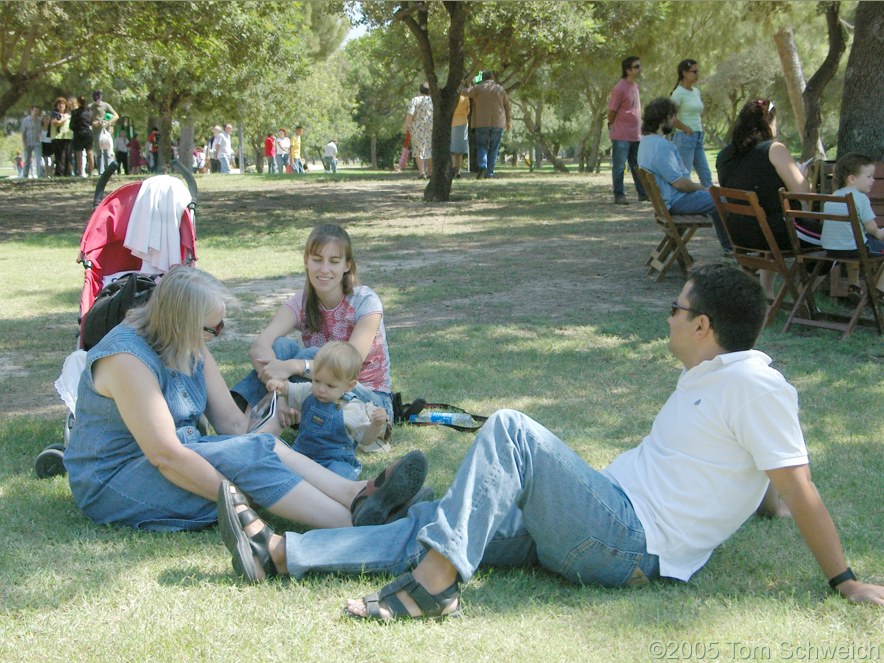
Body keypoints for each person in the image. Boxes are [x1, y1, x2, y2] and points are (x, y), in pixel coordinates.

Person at [217, 263, 884, 619]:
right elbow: (763, 474)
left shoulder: (754, 384)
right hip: (601, 517)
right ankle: (283, 553)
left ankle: (433, 586)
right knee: (442, 516)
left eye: (675, 309)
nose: (669, 317)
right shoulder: (712, 375)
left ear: (704, 324)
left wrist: (844, 579)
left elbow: (797, 480)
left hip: (627, 541)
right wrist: (764, 503)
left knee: (511, 430)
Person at [63, 267, 427, 535]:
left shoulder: (187, 340)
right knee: (248, 458)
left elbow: (234, 426)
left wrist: (277, 419)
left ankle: (355, 496)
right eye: (212, 329)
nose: (215, 338)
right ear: (181, 323)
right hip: (116, 479)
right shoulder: (127, 359)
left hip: (174, 456)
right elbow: (166, 455)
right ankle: (359, 525)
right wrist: (238, 494)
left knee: (260, 446)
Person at [231, 224, 393, 423]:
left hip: (369, 402)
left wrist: (293, 366)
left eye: (334, 261)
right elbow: (260, 346)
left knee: (313, 354)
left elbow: (347, 365)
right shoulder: (302, 301)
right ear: (306, 260)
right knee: (281, 346)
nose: (324, 269)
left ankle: (251, 418)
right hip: (320, 392)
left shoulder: (366, 301)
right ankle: (245, 417)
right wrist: (276, 378)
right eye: (317, 260)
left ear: (347, 265)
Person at [716, 98, 819, 297]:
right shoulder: (774, 149)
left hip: (739, 232)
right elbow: (803, 192)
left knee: (771, 221)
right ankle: (801, 302)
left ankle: (768, 294)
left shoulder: (725, 155)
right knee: (834, 239)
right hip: (776, 232)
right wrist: (802, 175)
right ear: (768, 122)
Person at [264, 341, 392, 481]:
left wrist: (376, 425)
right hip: (301, 453)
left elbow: (365, 439)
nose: (321, 389)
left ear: (349, 385)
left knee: (337, 476)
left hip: (334, 459)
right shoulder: (308, 392)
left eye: (330, 386)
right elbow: (289, 389)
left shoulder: (352, 409)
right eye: (317, 381)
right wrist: (279, 386)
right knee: (278, 468)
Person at [638, 97, 731, 252]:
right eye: (673, 117)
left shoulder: (645, 142)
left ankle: (729, 246)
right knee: (723, 199)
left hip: (666, 202)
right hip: (676, 201)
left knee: (717, 196)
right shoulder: (662, 146)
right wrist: (702, 188)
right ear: (665, 118)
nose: (675, 121)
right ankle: (733, 248)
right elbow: (680, 184)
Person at [820, 153, 884, 302]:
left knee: (853, 241)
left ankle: (854, 285)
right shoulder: (861, 199)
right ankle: (879, 291)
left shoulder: (833, 196)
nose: (873, 180)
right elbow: (872, 229)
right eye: (869, 176)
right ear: (852, 178)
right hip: (854, 249)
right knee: (860, 244)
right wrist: (881, 234)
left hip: (831, 249)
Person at [607, 56, 647, 204]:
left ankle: (643, 194)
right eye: (636, 66)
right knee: (619, 166)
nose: (640, 69)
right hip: (621, 135)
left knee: (637, 166)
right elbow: (611, 111)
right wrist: (613, 125)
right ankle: (619, 195)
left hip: (635, 135)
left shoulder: (635, 86)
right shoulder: (620, 88)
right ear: (628, 70)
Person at [670, 59, 712, 188]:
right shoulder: (678, 93)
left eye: (697, 71)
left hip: (698, 136)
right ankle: (684, 203)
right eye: (694, 71)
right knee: (685, 173)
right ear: (684, 73)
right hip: (685, 137)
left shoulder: (696, 91)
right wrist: (685, 128)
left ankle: (714, 202)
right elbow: (671, 117)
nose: (696, 74)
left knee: (705, 173)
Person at [463, 71, 511, 179]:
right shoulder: (500, 89)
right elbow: (507, 106)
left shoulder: (478, 88)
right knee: (494, 148)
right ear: (492, 78)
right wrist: (508, 122)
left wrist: (465, 83)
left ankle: (483, 165)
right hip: (498, 122)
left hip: (481, 122)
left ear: (483, 78)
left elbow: (464, 92)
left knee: (482, 146)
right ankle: (490, 173)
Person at [404, 83, 434, 180]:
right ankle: (430, 172)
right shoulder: (433, 101)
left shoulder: (415, 100)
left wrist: (406, 126)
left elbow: (410, 114)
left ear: (420, 90)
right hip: (430, 127)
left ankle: (422, 173)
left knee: (418, 150)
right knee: (429, 150)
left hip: (417, 128)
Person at [89, 90, 118, 175]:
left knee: (108, 151)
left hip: (106, 132)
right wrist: (93, 123)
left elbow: (116, 115)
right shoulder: (90, 107)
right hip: (96, 132)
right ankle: (101, 172)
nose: (97, 99)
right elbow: (88, 118)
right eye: (96, 98)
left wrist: (108, 122)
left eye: (99, 97)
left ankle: (109, 170)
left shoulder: (106, 105)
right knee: (99, 152)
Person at [69, 96, 93, 177]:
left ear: (78, 103)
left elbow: (71, 125)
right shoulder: (90, 112)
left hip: (78, 133)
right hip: (88, 133)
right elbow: (91, 122)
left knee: (78, 153)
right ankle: (90, 171)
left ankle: (80, 172)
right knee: (89, 152)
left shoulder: (75, 112)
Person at [50, 97, 73, 178]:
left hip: (68, 138)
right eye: (59, 104)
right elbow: (54, 123)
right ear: (56, 106)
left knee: (68, 156)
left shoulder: (68, 115)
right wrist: (64, 119)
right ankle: (59, 173)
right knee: (60, 157)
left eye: (63, 104)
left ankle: (68, 173)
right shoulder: (55, 114)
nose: (61, 105)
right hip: (58, 138)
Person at [20, 106, 43, 179]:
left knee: (39, 159)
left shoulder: (39, 121)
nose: (36, 112)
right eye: (35, 110)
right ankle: (25, 176)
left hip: (37, 143)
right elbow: (23, 133)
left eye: (38, 111)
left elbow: (40, 131)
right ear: (31, 111)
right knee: (27, 160)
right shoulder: (25, 120)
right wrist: (24, 143)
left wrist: (40, 138)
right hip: (28, 142)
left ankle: (40, 175)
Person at [450, 94, 470, 178]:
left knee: (453, 148)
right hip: (462, 123)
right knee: (460, 150)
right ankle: (458, 170)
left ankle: (454, 167)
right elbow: (468, 110)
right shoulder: (465, 98)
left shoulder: (451, 97)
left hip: (452, 122)